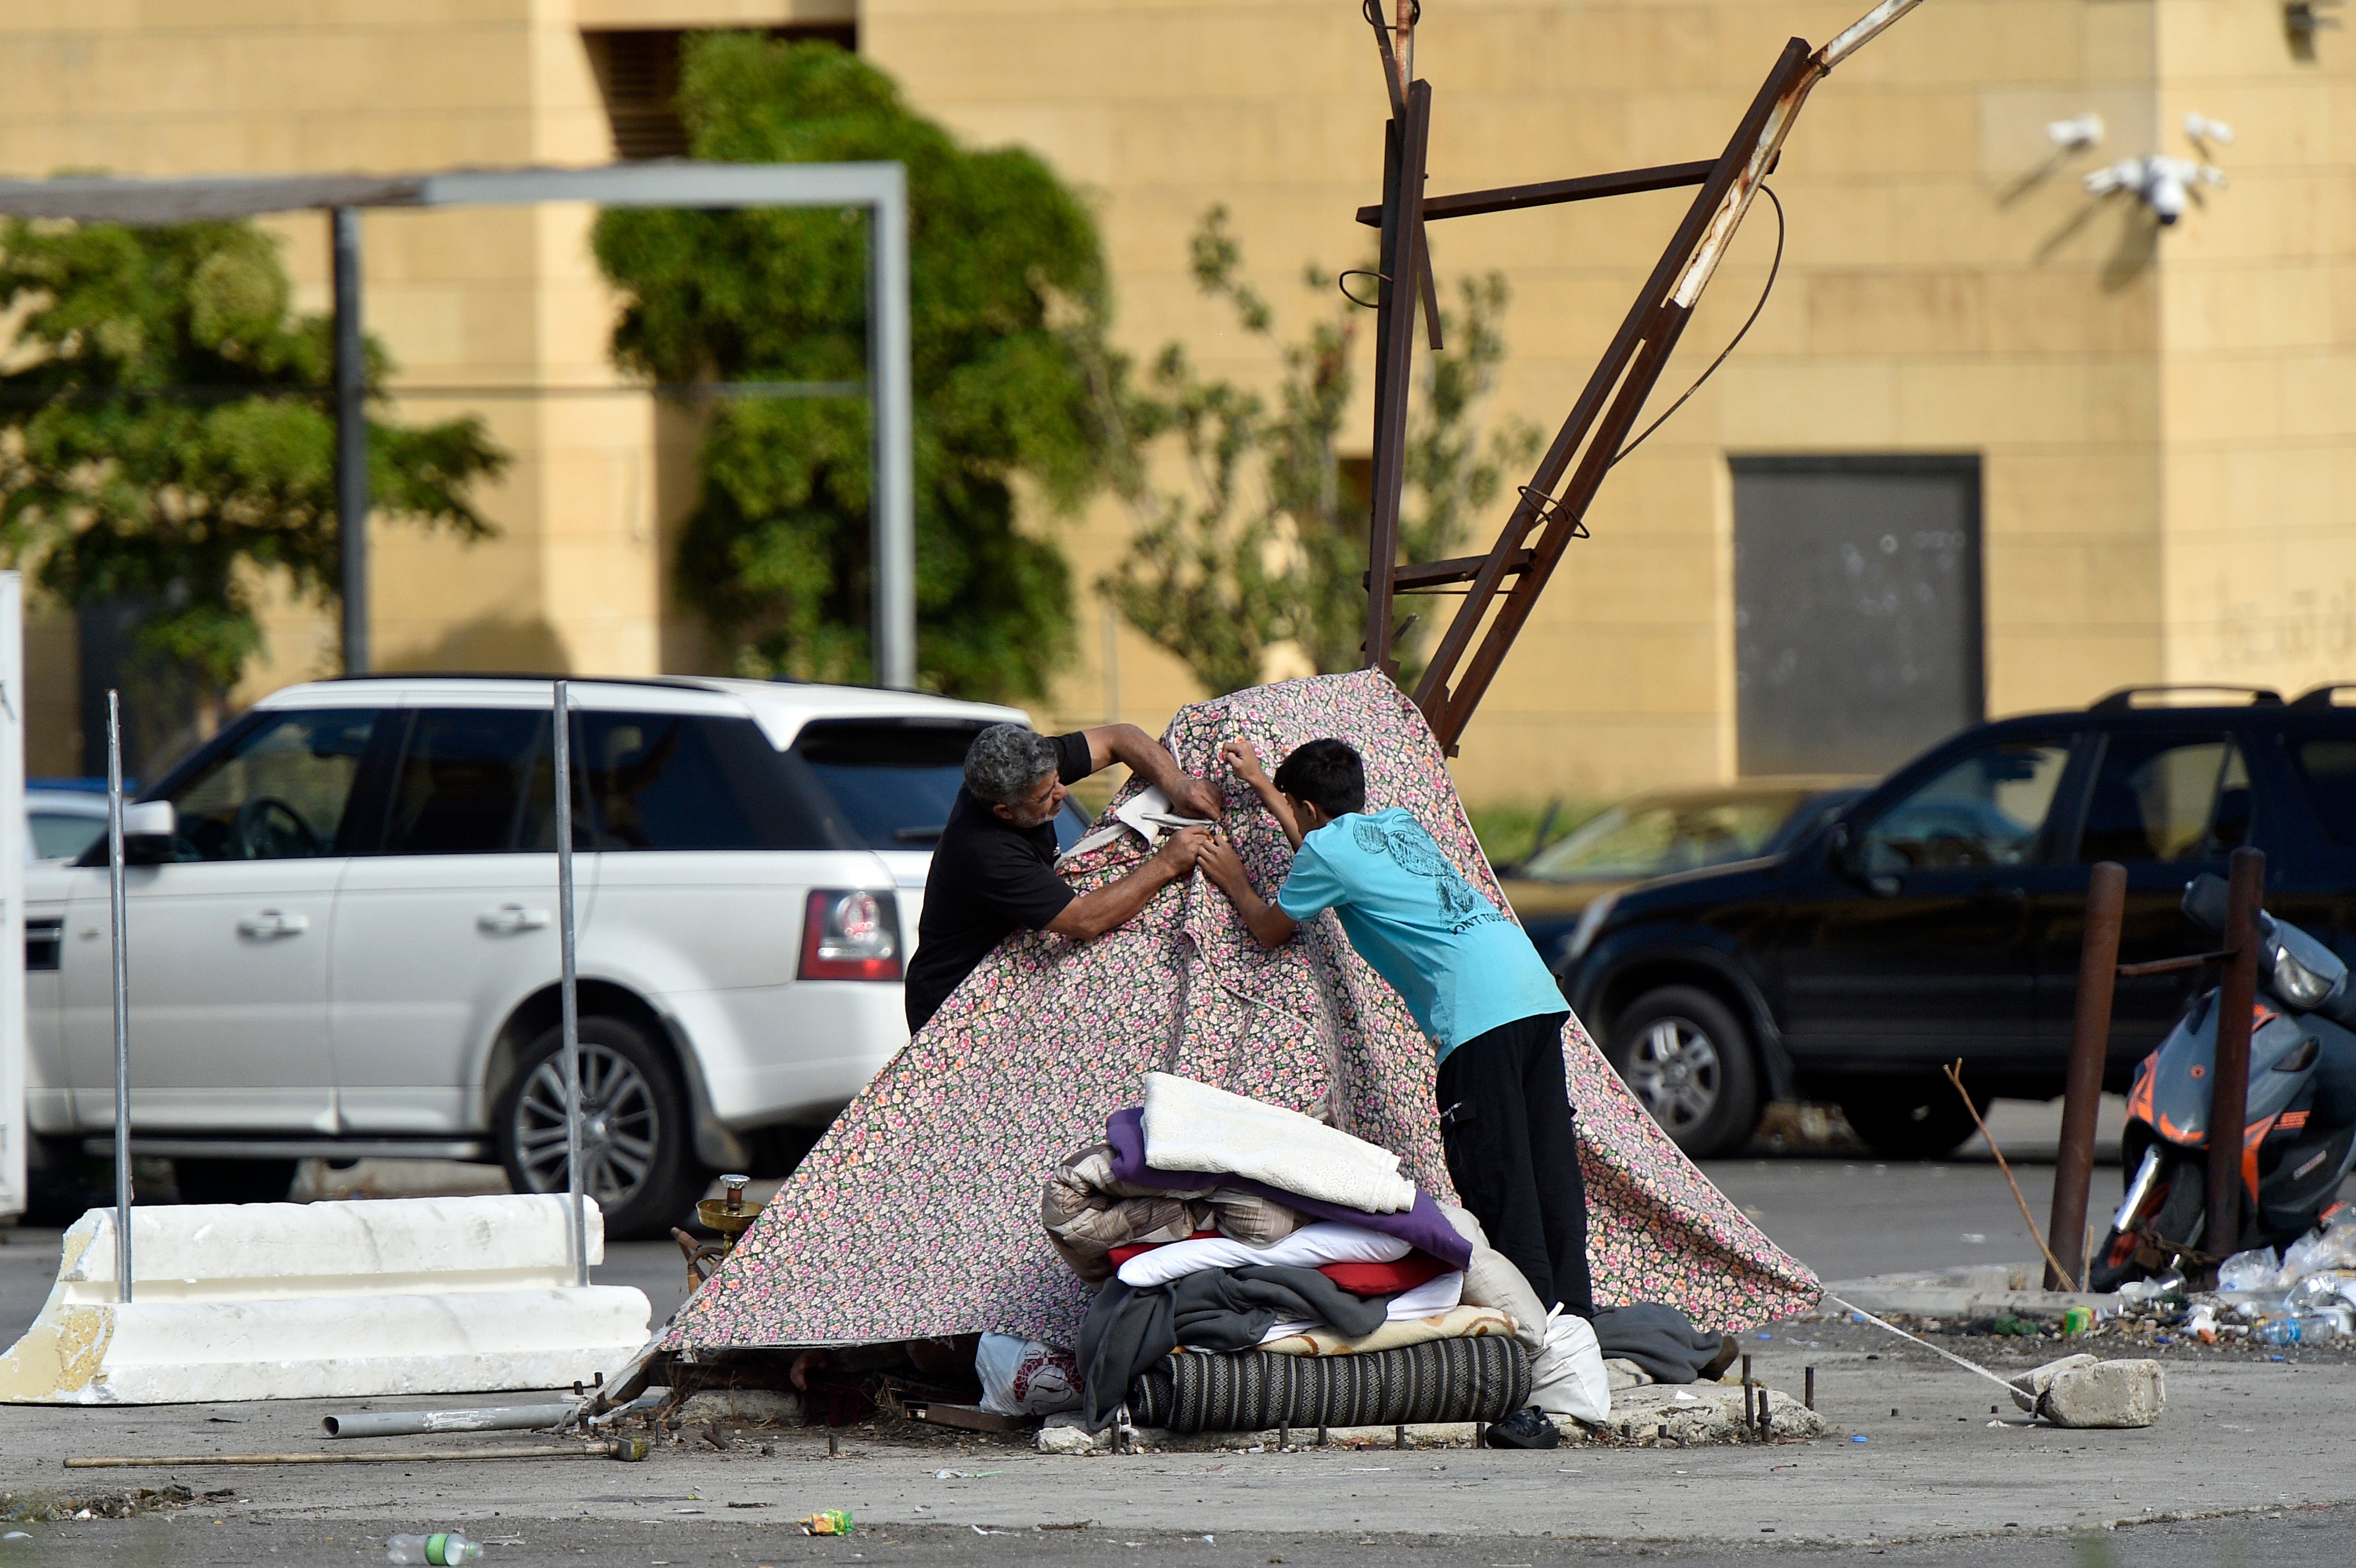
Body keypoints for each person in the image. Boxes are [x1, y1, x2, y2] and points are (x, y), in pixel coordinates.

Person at [1196, 737, 1594, 1320]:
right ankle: (1577, 1319)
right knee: (1548, 1163)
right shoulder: (1398, 824)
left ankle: (1539, 1337)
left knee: (1500, 1176)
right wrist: (1263, 785)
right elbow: (1325, 848)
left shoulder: (1324, 852)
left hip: (1475, 1012)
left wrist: (1234, 877)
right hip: (1531, 988)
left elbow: (1269, 928)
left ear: (1306, 808)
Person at [904, 723, 1222, 1034]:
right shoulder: (987, 852)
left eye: (1057, 779)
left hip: (1013, 978)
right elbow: (1084, 920)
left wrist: (1178, 784)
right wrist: (1166, 863)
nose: (1062, 792)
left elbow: (1118, 737)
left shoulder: (1027, 768)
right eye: (1046, 796)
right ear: (1004, 811)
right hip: (958, 1006)